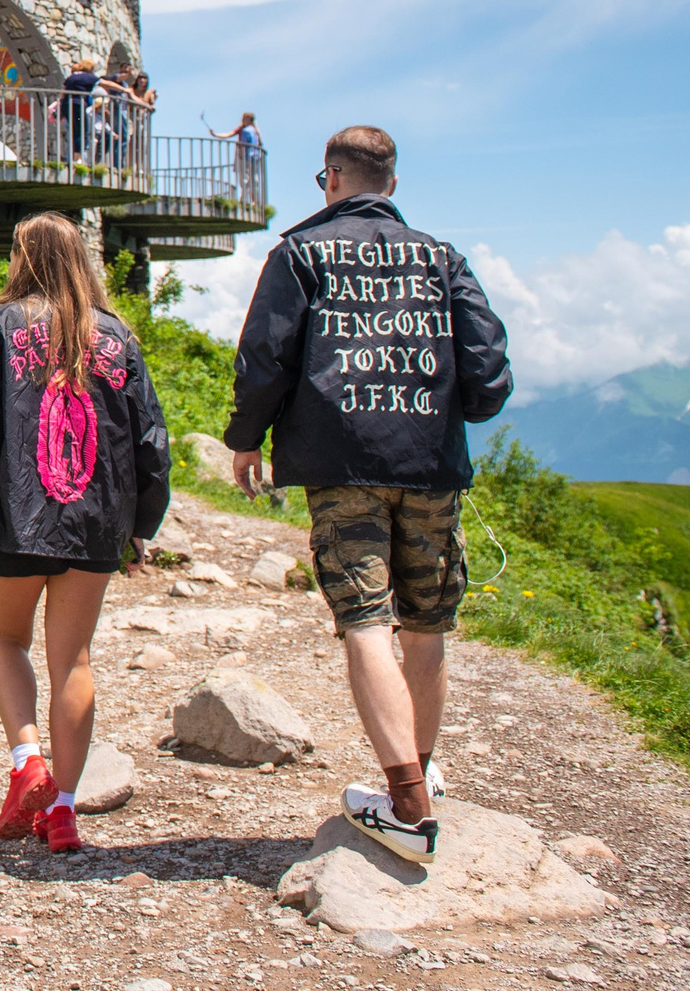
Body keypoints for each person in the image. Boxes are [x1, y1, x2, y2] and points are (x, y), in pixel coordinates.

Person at [224, 125, 512, 864]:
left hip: (340, 460)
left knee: (364, 618)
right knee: (426, 621)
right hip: (430, 462)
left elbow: (266, 354)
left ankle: (408, 806)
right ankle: (419, 774)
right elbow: (487, 364)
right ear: (391, 182)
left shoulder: (300, 252)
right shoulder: (441, 256)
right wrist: (459, 406)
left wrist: (247, 435)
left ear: (333, 177)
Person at [0, 214, 171, 855]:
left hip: (15, 521)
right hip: (96, 525)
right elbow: (152, 443)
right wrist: (140, 525)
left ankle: (27, 762)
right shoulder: (117, 336)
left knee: (8, 639)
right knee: (75, 659)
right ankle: (64, 812)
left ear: (24, 259)